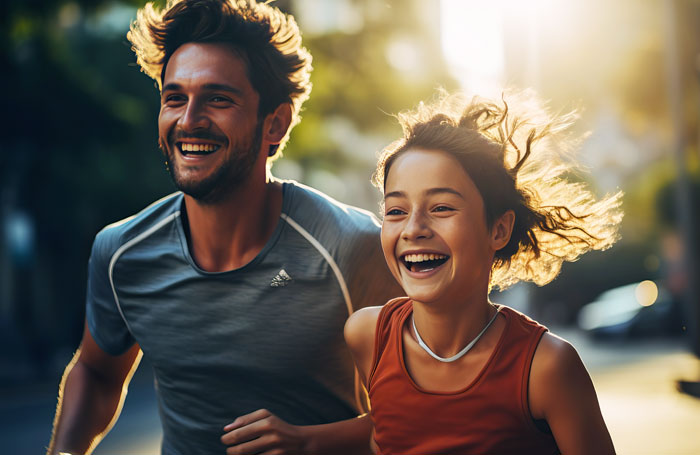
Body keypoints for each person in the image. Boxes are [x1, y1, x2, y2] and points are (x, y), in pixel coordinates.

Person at [48, 0, 401, 453]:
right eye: (174, 98)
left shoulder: (352, 248)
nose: (189, 120)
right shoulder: (121, 252)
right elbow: (97, 373)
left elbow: (420, 410)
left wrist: (308, 443)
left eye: (218, 99)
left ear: (275, 124)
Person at [344, 91, 623, 455]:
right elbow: (385, 432)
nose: (413, 229)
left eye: (441, 207)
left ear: (499, 230)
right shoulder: (368, 335)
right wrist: (302, 440)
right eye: (396, 211)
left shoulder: (547, 368)